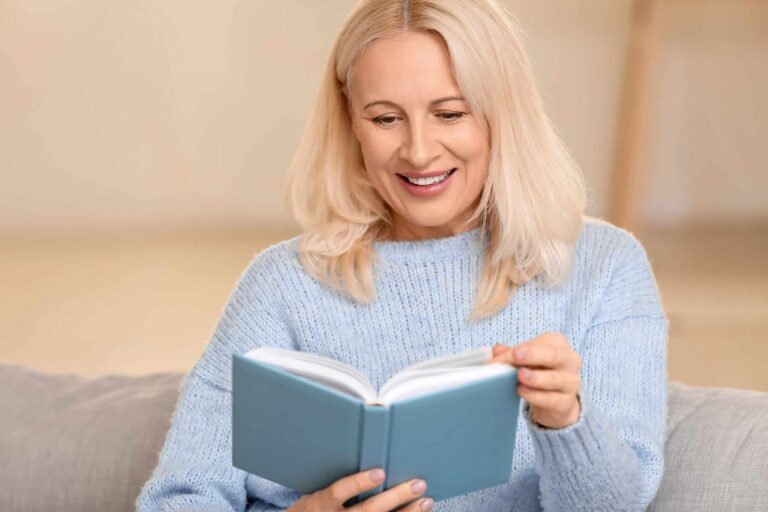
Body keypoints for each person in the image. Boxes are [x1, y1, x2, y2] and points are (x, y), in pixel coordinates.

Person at [135, 0, 669, 511]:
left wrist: (565, 421)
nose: (418, 151)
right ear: (350, 122)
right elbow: (178, 500)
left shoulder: (605, 267)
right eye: (386, 119)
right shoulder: (282, 285)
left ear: (503, 113)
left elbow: (615, 506)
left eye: (449, 114)